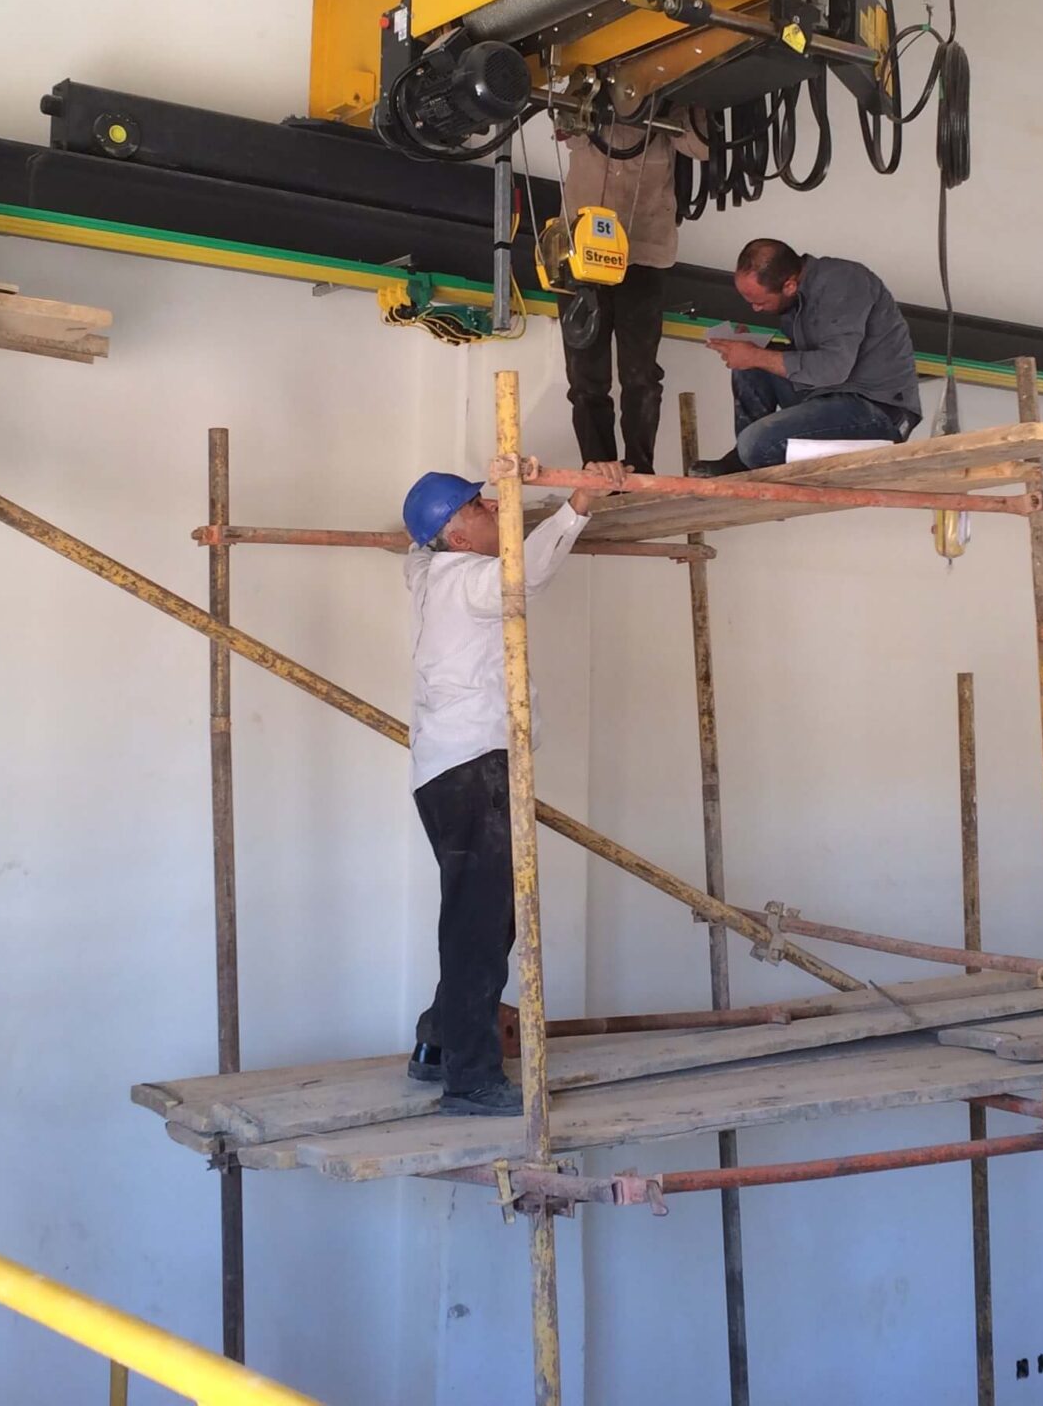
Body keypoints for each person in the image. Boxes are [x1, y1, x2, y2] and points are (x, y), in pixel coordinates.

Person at [395, 467, 597, 1114]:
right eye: (478, 506)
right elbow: (528, 572)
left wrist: (516, 481)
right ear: (453, 533)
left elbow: (422, 543)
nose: (492, 510)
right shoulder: (471, 581)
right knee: (478, 926)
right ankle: (471, 1078)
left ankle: (436, 1039)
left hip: (451, 769)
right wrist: (578, 505)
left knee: (483, 918)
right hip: (474, 767)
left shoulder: (428, 572)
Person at [554, 114, 706, 479]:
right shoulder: (587, 87)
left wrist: (677, 104)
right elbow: (565, 127)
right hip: (581, 253)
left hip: (644, 255)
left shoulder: (671, 102)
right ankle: (597, 470)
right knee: (586, 375)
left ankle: (639, 471)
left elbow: (700, 147)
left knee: (641, 375)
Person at [697, 238, 922, 472]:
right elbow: (806, 363)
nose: (755, 309)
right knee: (751, 369)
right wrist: (751, 350)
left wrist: (755, 355)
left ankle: (749, 454)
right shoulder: (796, 298)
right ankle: (743, 460)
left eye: (760, 301)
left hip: (878, 412)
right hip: (828, 397)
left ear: (789, 286)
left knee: (756, 445)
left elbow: (832, 368)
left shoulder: (842, 283)